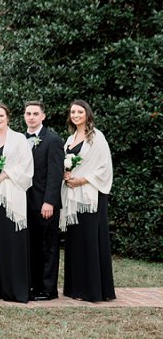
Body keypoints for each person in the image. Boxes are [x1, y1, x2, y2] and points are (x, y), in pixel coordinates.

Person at [60, 100, 115, 302]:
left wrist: (82, 180)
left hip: (91, 196)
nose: (75, 115)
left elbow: (104, 167)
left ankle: (94, 290)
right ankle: (77, 288)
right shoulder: (70, 138)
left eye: (79, 112)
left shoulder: (96, 137)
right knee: (76, 241)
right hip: (73, 197)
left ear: (87, 114)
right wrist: (67, 176)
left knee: (91, 239)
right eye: (73, 112)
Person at [0, 103, 34, 303]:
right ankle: (0, 288)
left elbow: (26, 167)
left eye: (1, 115)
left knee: (12, 242)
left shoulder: (19, 139)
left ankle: (17, 290)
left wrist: (3, 176)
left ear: (8, 117)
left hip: (11, 197)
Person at [24, 101, 64, 301]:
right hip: (25, 204)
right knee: (31, 247)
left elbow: (56, 174)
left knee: (48, 247)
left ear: (43, 116)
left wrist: (50, 201)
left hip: (45, 204)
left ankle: (49, 290)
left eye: (35, 113)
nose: (31, 117)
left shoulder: (53, 140)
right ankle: (34, 286)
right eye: (28, 113)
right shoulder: (20, 139)